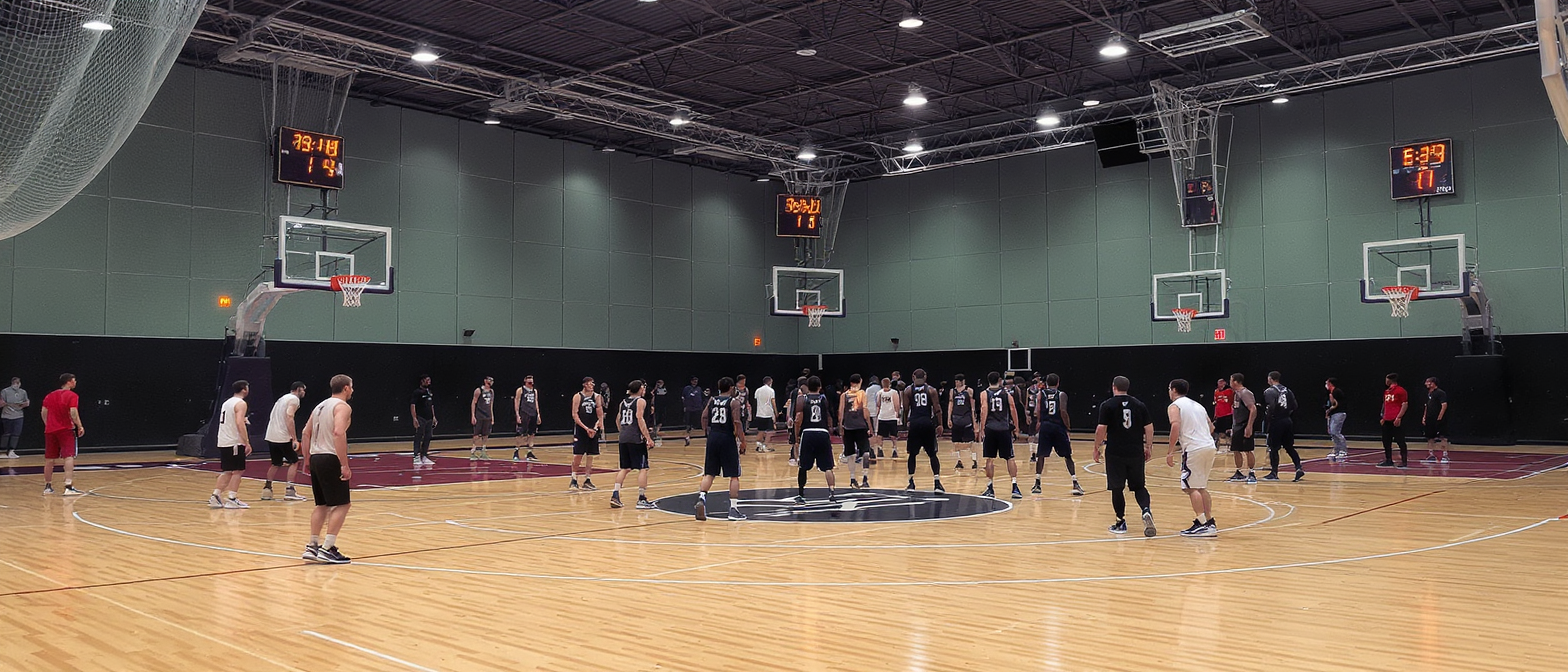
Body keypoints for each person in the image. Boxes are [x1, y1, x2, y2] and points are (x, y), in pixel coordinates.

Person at [300, 374, 354, 564]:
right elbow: (338, 432)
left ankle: (312, 546)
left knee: (321, 505)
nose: (352, 391)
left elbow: (305, 433)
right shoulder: (342, 407)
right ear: (346, 388)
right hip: (330, 457)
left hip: (316, 457)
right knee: (343, 504)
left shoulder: (319, 406)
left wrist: (307, 458)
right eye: (352, 387)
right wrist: (344, 464)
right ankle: (328, 547)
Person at [1093, 376, 1156, 537]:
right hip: (1135, 451)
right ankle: (1146, 510)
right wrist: (1148, 446)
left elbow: (1101, 428)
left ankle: (1120, 522)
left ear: (1113, 387)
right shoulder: (1139, 404)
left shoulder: (1107, 405)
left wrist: (1096, 447)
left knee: (1117, 487)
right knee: (1139, 486)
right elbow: (1149, 428)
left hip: (1115, 452)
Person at [1166, 379, 1218, 537]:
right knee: (1201, 487)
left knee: (1190, 487)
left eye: (1169, 389)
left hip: (1194, 448)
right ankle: (1209, 521)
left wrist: (1170, 451)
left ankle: (1203, 524)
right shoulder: (1198, 405)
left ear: (1174, 390)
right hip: (1209, 446)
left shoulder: (1175, 406)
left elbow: (1175, 426)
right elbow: (1211, 427)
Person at [695, 377, 747, 521]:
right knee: (734, 475)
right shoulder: (733, 402)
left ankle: (702, 498)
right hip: (727, 438)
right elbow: (737, 422)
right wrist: (742, 440)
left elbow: (704, 417)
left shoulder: (712, 400)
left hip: (713, 437)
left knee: (709, 473)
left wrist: (707, 432)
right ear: (731, 388)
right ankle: (733, 509)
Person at [1033, 374, 1084, 496]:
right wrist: (1068, 426)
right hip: (1057, 427)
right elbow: (1063, 411)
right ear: (1058, 382)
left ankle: (1037, 483)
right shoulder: (1061, 394)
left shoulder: (1041, 394)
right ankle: (1075, 482)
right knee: (1067, 455)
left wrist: (1040, 422)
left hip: (1045, 426)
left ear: (1046, 383)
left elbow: (1037, 410)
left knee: (1041, 455)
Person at [611, 380, 656, 510]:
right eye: (643, 387)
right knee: (643, 468)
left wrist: (623, 432)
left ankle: (615, 494)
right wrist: (648, 438)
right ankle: (642, 499)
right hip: (636, 438)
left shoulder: (622, 403)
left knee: (625, 468)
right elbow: (640, 418)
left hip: (623, 437)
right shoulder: (640, 401)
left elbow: (617, 420)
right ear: (640, 389)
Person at [977, 371, 1023, 499]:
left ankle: (990, 487)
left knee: (990, 458)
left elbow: (984, 409)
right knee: (1009, 457)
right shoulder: (1006, 393)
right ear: (999, 380)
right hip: (1004, 428)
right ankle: (1015, 487)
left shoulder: (984, 394)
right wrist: (1016, 426)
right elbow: (1013, 408)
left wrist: (982, 428)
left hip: (991, 428)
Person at [793, 376, 839, 504]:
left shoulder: (802, 399)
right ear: (820, 387)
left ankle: (801, 494)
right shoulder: (824, 399)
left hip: (808, 433)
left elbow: (798, 419)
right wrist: (829, 429)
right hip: (822, 433)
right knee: (828, 466)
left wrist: (796, 436)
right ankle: (832, 493)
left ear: (807, 386)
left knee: (803, 466)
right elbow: (829, 416)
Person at [39, 374, 85, 496]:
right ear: (69, 382)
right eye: (74, 380)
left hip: (50, 430)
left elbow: (44, 412)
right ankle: (68, 486)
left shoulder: (49, 395)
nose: (76, 382)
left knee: (49, 459)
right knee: (68, 456)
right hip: (65, 429)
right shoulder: (72, 395)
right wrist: (79, 426)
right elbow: (73, 412)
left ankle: (47, 486)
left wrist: (48, 424)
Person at [261, 381, 307, 501]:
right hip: (282, 436)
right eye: (303, 390)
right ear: (298, 389)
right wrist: (294, 438)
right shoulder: (294, 399)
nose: (304, 392)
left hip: (271, 434)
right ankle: (290, 490)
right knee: (294, 461)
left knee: (276, 463)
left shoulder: (282, 398)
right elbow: (289, 416)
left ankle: (267, 489)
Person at [209, 380, 252, 509]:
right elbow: (239, 423)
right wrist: (246, 442)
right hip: (234, 441)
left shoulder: (227, 402)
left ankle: (215, 496)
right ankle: (232, 498)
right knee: (238, 470)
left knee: (227, 471)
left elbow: (232, 419)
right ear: (244, 389)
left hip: (223, 440)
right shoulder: (241, 403)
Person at [902, 369, 945, 493]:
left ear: (913, 377)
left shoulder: (908, 390)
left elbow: (905, 409)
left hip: (915, 424)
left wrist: (906, 424)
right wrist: (940, 424)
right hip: (927, 423)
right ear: (925, 377)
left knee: (912, 454)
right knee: (932, 454)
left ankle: (911, 482)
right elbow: (937, 409)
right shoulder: (931, 390)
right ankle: (937, 483)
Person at [1261, 371, 1304, 482]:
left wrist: (1269, 419)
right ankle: (1298, 467)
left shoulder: (1269, 391)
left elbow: (1271, 406)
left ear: (1270, 379)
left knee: (1273, 448)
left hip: (1276, 421)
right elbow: (1295, 406)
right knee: (1289, 447)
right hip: (1287, 421)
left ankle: (1274, 473)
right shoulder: (1288, 390)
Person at [570, 376, 606, 491]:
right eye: (590, 383)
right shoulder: (578, 396)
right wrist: (586, 428)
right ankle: (574, 479)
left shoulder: (597, 397)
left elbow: (600, 414)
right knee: (578, 454)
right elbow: (575, 415)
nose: (592, 385)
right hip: (581, 429)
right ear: (585, 384)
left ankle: (588, 479)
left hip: (593, 429)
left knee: (590, 455)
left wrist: (595, 428)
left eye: (593, 383)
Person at [838, 373, 872, 489]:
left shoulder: (844, 395)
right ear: (860, 381)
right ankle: (865, 478)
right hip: (861, 426)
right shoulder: (862, 394)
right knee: (866, 452)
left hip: (848, 426)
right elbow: (865, 411)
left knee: (850, 454)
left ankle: (852, 478)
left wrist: (840, 425)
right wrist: (870, 426)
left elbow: (840, 412)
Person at [1224, 373, 1259, 484]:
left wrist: (1249, 426)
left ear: (1235, 381)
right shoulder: (1236, 394)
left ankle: (1252, 473)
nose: (1229, 383)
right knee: (1236, 450)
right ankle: (1239, 472)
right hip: (1237, 426)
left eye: (1230, 380)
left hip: (1244, 425)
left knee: (1248, 450)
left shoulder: (1245, 393)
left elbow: (1253, 409)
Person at [1378, 373, 1410, 468]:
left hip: (1395, 419)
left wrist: (1399, 417)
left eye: (1386, 379)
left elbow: (1404, 404)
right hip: (1387, 419)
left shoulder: (1400, 390)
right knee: (1386, 441)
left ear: (1390, 380)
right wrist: (1383, 417)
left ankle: (1404, 461)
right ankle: (1388, 460)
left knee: (1400, 440)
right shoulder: (1387, 391)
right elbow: (1385, 405)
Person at [947, 374, 978, 470]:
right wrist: (949, 418)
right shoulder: (952, 391)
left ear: (962, 381)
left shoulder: (969, 390)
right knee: (956, 442)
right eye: (955, 381)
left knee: (970, 441)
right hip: (956, 418)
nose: (956, 383)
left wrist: (974, 422)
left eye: (958, 381)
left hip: (966, 418)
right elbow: (950, 405)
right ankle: (959, 461)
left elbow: (972, 408)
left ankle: (974, 460)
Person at [1421, 377, 1450, 464]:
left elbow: (1444, 405)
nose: (1426, 384)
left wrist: (1440, 416)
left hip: (1438, 419)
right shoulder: (1429, 394)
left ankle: (1445, 455)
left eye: (1428, 382)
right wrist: (1424, 417)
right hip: (1429, 419)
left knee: (1442, 437)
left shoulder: (1440, 393)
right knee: (1430, 437)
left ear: (1433, 383)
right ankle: (1431, 455)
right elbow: (1427, 406)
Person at [410, 375, 437, 466]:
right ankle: (416, 456)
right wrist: (414, 418)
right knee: (418, 436)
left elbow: (431, 405)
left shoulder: (429, 392)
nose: (429, 381)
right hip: (421, 417)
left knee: (428, 436)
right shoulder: (417, 392)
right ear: (422, 381)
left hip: (429, 418)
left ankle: (424, 455)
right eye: (427, 380)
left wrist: (434, 417)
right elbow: (413, 405)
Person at [514, 375, 540, 462]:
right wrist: (517, 414)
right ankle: (516, 452)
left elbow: (536, 402)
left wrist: (538, 414)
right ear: (525, 381)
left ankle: (529, 453)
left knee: (532, 434)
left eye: (532, 380)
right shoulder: (520, 390)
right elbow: (516, 401)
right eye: (529, 380)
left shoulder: (534, 391)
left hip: (533, 413)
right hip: (524, 413)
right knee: (520, 433)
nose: (531, 382)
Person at [2, 377, 28, 459]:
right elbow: (2, 402)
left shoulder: (23, 392)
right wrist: (8, 404)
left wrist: (23, 404)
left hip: (19, 416)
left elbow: (27, 402)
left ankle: (12, 451)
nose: (16, 384)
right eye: (15, 382)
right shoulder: (5, 391)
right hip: (7, 416)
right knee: (6, 434)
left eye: (18, 382)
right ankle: (2, 451)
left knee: (16, 434)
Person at [470, 376, 495, 460]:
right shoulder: (479, 390)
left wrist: (492, 416)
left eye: (492, 380)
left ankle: (483, 451)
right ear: (485, 381)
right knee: (476, 434)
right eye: (489, 380)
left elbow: (491, 405)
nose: (491, 382)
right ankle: (473, 452)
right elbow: (473, 403)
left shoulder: (491, 391)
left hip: (487, 416)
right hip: (479, 415)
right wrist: (473, 415)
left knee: (485, 434)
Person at [876, 377, 901, 458]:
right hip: (891, 416)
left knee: (880, 435)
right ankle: (894, 449)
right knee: (893, 435)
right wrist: (897, 413)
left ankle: (880, 449)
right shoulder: (894, 392)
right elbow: (897, 404)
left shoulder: (879, 393)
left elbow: (878, 404)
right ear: (889, 384)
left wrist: (877, 413)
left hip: (882, 416)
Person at [1325, 378, 1347, 461]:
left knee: (1335, 432)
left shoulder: (1337, 392)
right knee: (1331, 432)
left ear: (1330, 383)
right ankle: (1336, 450)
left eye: (1327, 383)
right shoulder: (1330, 393)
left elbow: (1336, 404)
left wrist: (1332, 405)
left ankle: (1343, 450)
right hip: (1333, 414)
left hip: (1339, 413)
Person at [753, 376, 777, 453]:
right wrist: (776, 412)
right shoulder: (771, 390)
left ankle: (759, 446)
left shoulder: (758, 390)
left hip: (759, 413)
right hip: (768, 413)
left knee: (761, 431)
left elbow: (756, 401)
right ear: (770, 382)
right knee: (771, 431)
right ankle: (765, 446)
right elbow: (773, 402)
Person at [681, 376, 705, 446]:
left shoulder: (699, 388)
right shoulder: (687, 388)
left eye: (696, 381)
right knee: (688, 423)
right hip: (689, 408)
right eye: (694, 381)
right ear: (691, 381)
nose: (695, 382)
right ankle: (687, 436)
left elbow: (702, 397)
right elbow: (683, 397)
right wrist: (685, 406)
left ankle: (696, 435)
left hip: (698, 408)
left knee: (697, 422)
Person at [1212, 378, 1233, 451]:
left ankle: (1231, 447)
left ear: (1225, 383)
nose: (1220, 384)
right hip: (1219, 415)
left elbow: (1232, 402)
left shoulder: (1230, 391)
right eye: (1219, 383)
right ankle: (1216, 448)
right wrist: (1215, 414)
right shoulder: (1216, 391)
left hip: (1228, 414)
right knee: (1217, 432)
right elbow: (1216, 404)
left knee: (1228, 432)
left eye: (1221, 383)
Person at [864, 375, 883, 456]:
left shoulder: (868, 389)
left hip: (869, 410)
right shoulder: (880, 388)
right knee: (877, 431)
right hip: (878, 411)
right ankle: (879, 448)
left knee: (871, 431)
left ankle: (871, 449)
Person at [651, 379, 668, 446]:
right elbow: (651, 394)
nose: (659, 384)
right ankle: (654, 431)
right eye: (658, 382)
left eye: (661, 382)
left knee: (662, 418)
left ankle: (658, 430)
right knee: (655, 418)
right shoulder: (654, 390)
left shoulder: (665, 389)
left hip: (663, 406)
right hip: (656, 406)